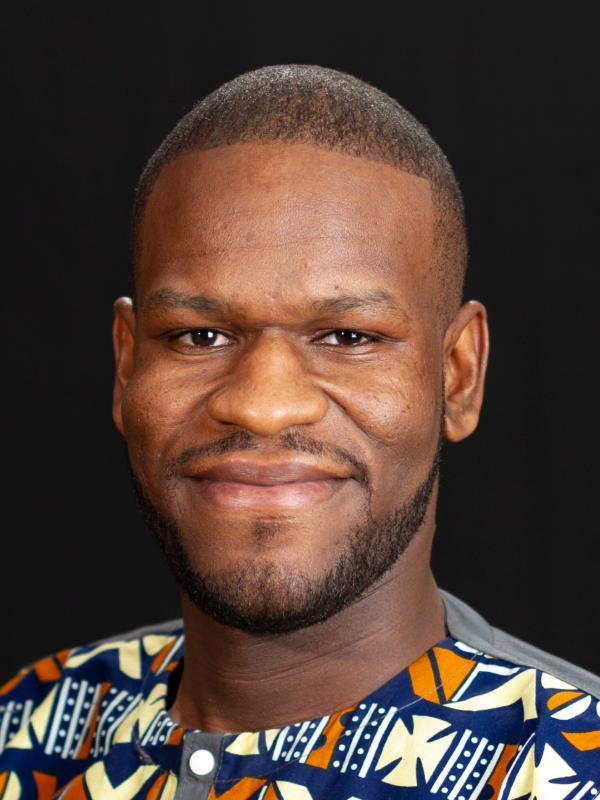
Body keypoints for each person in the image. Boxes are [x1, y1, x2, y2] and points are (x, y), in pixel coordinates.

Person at [1, 65, 598, 800]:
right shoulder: (28, 729)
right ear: (127, 366)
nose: (263, 406)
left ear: (458, 375)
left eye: (348, 336)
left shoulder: (571, 765)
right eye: (198, 336)